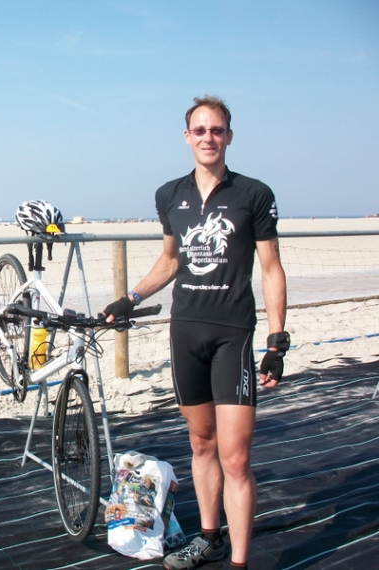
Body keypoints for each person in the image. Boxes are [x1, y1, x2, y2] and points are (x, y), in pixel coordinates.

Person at [103, 95, 289, 570]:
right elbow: (170, 261)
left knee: (235, 459)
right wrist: (131, 298)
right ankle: (209, 538)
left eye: (217, 130)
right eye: (200, 130)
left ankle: (240, 563)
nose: (209, 138)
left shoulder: (254, 194)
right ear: (187, 137)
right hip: (185, 331)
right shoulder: (170, 194)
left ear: (229, 135)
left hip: (233, 335)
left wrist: (276, 341)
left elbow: (270, 269)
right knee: (201, 444)